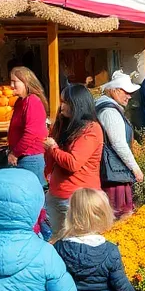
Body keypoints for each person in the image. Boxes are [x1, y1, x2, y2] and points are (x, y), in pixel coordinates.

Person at [44, 85, 104, 237]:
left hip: (78, 197)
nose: (61, 106)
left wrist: (53, 148)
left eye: (65, 102)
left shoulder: (91, 129)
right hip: (56, 193)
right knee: (57, 239)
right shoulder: (64, 125)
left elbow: (73, 163)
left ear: (77, 104)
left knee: (78, 240)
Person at [95, 72, 144, 217]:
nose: (129, 96)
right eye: (126, 92)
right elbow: (118, 144)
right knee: (118, 214)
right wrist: (135, 168)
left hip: (112, 170)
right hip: (114, 173)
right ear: (115, 90)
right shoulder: (110, 112)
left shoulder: (105, 107)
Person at [7, 67, 50, 188]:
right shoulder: (20, 102)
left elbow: (31, 133)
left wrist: (15, 153)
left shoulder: (32, 101)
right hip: (22, 156)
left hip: (31, 157)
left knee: (32, 195)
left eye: (14, 81)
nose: (11, 85)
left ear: (26, 82)